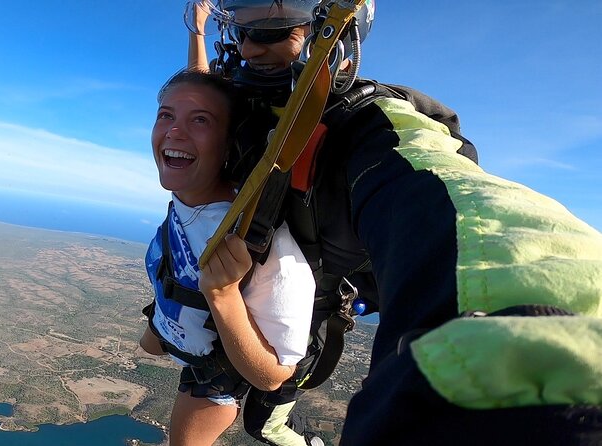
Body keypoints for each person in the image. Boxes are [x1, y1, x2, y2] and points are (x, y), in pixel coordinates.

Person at [181, 1, 602, 445]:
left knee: (263, 424)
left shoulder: (367, 125)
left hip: (299, 325)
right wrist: (201, 32)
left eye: (270, 30)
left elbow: (453, 201)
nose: (247, 48)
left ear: (332, 34)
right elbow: (203, 88)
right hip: (241, 301)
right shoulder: (240, 105)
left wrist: (535, 359)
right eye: (241, 29)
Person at [138, 70, 323, 446]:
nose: (174, 131)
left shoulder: (261, 245)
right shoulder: (190, 193)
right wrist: (199, 29)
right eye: (166, 115)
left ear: (228, 144)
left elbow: (273, 375)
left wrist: (223, 295)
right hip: (173, 334)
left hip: (212, 376)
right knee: (146, 346)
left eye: (200, 120)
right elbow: (200, 94)